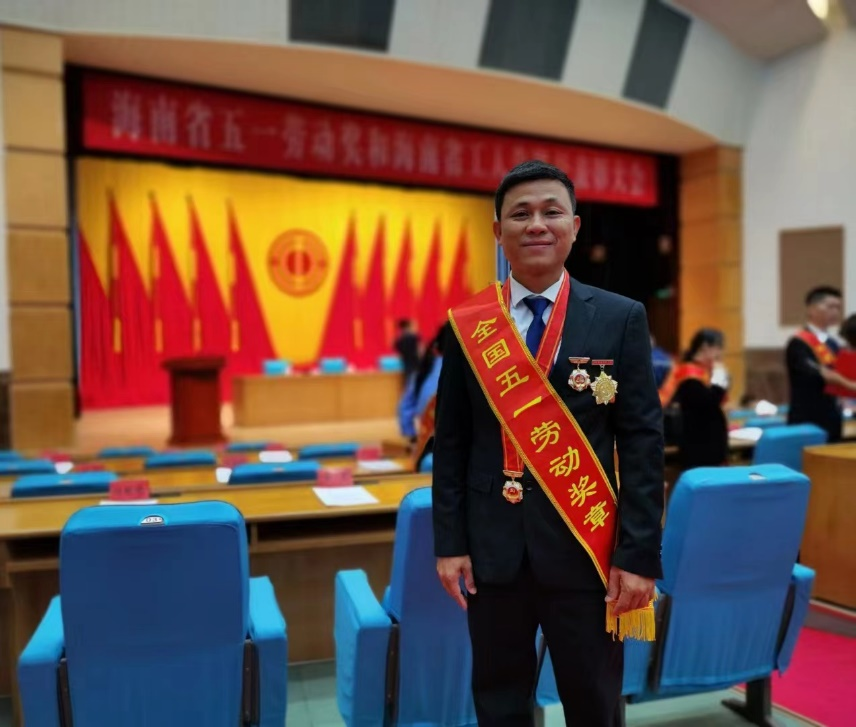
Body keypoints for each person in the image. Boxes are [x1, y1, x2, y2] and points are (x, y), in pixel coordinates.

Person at [433, 160, 664, 726]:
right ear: (498, 231)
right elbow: (452, 442)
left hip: (588, 551)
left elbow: (642, 443)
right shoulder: (467, 324)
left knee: (594, 704)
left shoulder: (620, 317)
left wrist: (637, 556)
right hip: (492, 553)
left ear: (574, 227)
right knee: (498, 704)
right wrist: (449, 543)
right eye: (520, 214)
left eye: (551, 211)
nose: (536, 224)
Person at [785, 286, 850, 442]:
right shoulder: (798, 343)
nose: (835, 312)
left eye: (838, 308)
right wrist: (850, 385)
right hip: (807, 416)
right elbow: (818, 373)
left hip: (833, 414)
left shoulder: (833, 344)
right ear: (811, 309)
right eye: (830, 306)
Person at [666, 328, 729, 472]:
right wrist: (719, 380)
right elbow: (709, 403)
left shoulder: (707, 372)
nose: (720, 354)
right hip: (699, 447)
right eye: (718, 348)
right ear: (705, 346)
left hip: (712, 447)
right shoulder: (689, 375)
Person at [396, 323, 448, 462]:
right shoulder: (466, 371)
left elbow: (405, 407)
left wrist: (413, 437)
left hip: (426, 445)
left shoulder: (424, 370)